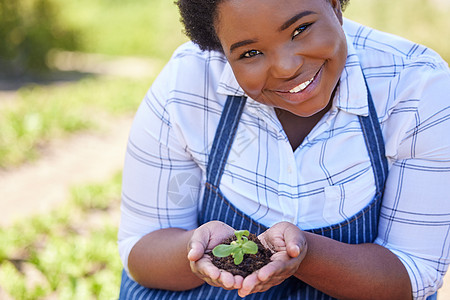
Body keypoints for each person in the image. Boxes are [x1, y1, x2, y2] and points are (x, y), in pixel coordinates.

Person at [117, 0, 450, 299]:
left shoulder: (416, 88)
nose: (287, 67)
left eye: (300, 29)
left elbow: (413, 272)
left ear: (334, 4)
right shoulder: (188, 83)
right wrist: (195, 251)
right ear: (220, 49)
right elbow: (141, 248)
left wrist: (305, 253)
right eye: (250, 53)